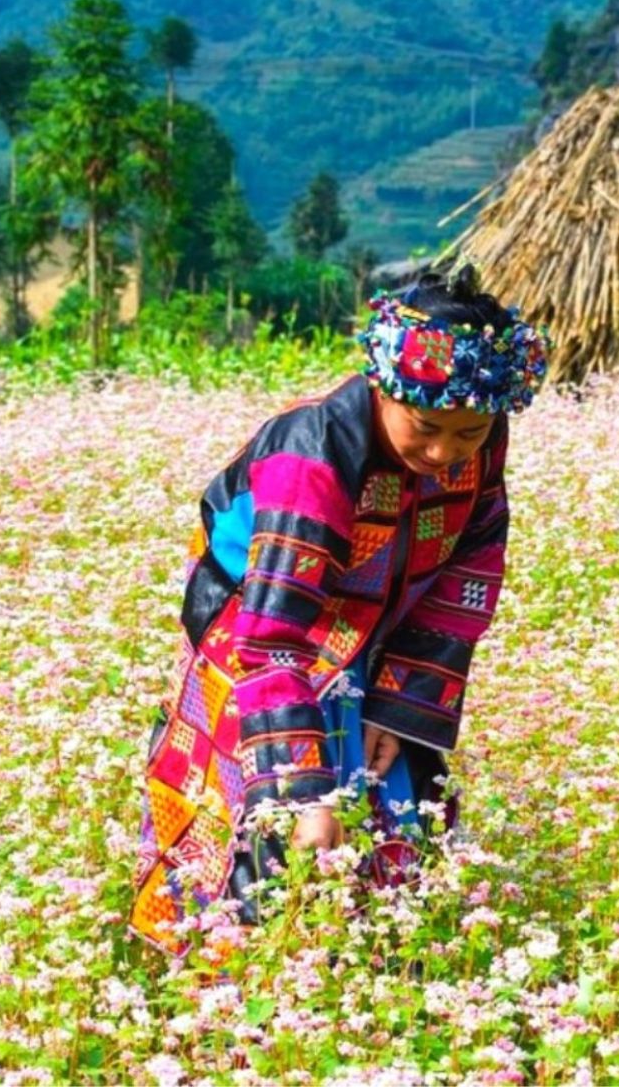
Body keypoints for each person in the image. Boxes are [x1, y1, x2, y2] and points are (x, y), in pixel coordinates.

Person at [131, 263, 549, 955]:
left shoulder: (479, 443)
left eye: (469, 434)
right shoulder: (313, 453)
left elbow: (467, 571)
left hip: (375, 632)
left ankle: (382, 965)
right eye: (425, 427)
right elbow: (269, 641)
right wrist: (305, 795)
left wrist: (397, 702)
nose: (445, 453)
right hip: (254, 627)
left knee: (397, 790)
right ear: (385, 389)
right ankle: (230, 988)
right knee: (261, 822)